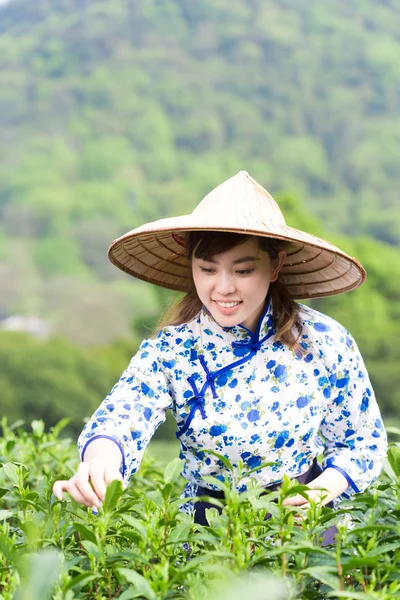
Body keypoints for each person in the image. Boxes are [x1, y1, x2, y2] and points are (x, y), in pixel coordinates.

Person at [53, 171, 388, 532]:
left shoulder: (323, 340)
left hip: (303, 523)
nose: (223, 288)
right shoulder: (173, 349)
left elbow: (362, 439)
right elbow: (124, 414)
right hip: (207, 527)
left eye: (243, 270)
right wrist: (102, 460)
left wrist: (322, 489)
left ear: (275, 266)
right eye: (207, 269)